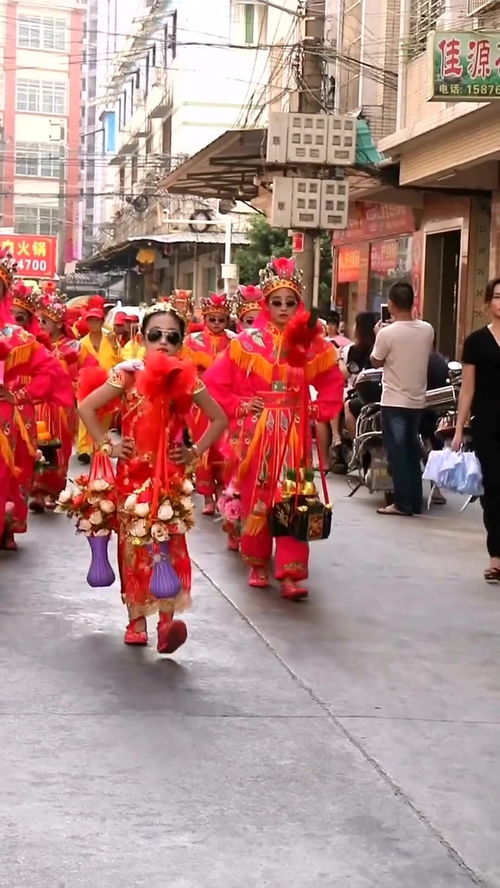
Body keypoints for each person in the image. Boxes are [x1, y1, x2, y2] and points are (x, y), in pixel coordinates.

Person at [78, 302, 227, 650]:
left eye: (171, 337)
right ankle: (135, 620)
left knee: (169, 541)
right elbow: (86, 406)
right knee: (133, 545)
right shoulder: (126, 374)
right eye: (155, 335)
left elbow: (219, 419)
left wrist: (193, 452)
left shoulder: (186, 378)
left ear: (181, 342)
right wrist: (108, 445)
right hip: (131, 474)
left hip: (169, 475)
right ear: (142, 338)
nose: (163, 342)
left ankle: (166, 622)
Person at [204, 257, 344, 601]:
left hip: (294, 433)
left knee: (295, 498)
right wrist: (241, 404)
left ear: (299, 305)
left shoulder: (311, 340)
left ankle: (291, 572)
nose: (283, 308)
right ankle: (257, 562)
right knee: (259, 498)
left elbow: (331, 380)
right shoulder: (248, 341)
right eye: (277, 302)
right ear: (265, 304)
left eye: (290, 302)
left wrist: (318, 408)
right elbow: (215, 382)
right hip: (257, 433)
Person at [0, 254, 73, 546]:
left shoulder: (17, 337)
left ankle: (9, 523)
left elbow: (51, 372)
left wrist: (19, 395)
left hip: (11, 415)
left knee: (14, 470)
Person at [452, 277, 500, 583]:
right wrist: (458, 429)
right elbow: (467, 390)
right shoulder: (476, 342)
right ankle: (496, 557)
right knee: (494, 491)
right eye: (498, 296)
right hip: (488, 427)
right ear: (488, 303)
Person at [371, 281, 433, 517]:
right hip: (417, 401)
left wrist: (379, 334)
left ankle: (402, 503)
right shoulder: (427, 329)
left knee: (397, 454)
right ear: (413, 302)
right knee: (411, 451)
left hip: (394, 401)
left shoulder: (387, 333)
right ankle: (414, 502)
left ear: (392, 305)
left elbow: (376, 361)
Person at [183, 293, 234, 515]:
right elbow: (185, 371)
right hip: (200, 404)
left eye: (221, 319)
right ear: (205, 318)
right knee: (203, 448)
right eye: (212, 319)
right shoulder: (192, 341)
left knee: (224, 449)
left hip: (225, 401)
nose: (216, 324)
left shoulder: (235, 342)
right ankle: (207, 497)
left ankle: (223, 490)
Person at [76, 306, 121, 462]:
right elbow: (77, 364)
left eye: (97, 320)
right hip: (86, 384)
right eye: (91, 320)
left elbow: (119, 359)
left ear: (102, 321)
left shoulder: (110, 338)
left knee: (106, 415)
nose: (94, 323)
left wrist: (114, 345)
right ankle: (84, 449)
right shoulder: (82, 343)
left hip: (107, 383)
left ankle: (100, 443)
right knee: (84, 414)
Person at [338, 311, 379, 443]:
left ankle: (355, 444)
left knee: (347, 406)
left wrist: (338, 358)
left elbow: (345, 373)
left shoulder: (356, 350)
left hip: (363, 393)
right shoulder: (379, 345)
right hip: (382, 391)